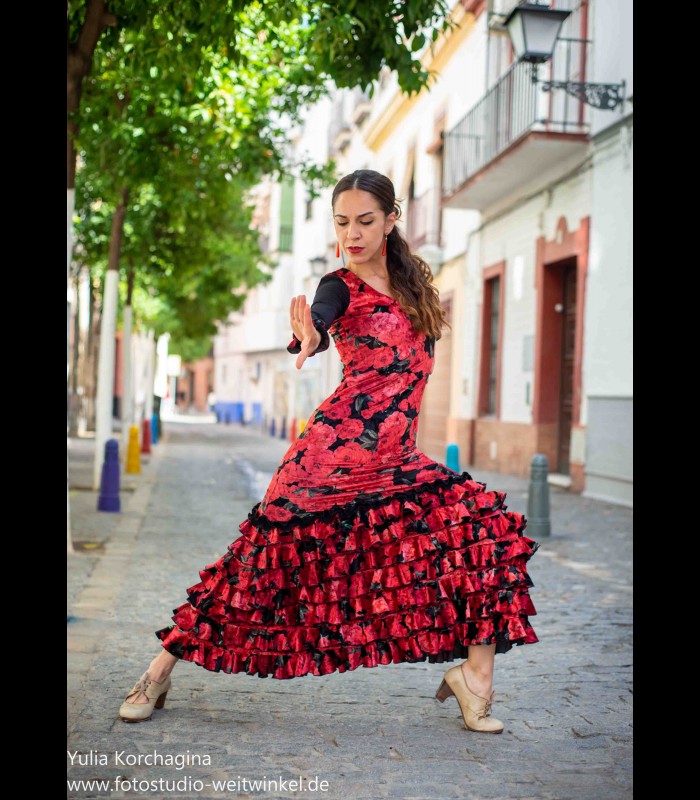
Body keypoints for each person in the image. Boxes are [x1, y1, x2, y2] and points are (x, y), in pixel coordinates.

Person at [119, 170, 539, 734]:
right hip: (329, 459)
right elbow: (317, 321)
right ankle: (158, 671)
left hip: (395, 464)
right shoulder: (339, 286)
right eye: (343, 222)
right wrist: (311, 336)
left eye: (366, 221)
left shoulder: (414, 289)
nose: (353, 233)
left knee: (485, 532)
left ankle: (476, 681)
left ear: (391, 220)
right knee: (256, 572)